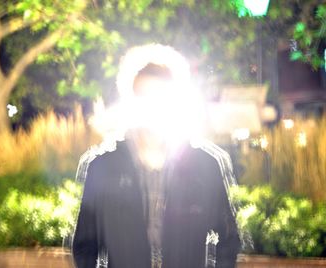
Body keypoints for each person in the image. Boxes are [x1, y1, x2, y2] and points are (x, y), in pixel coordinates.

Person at [72, 44, 242, 268]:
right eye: (144, 97)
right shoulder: (102, 167)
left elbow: (228, 240)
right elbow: (85, 246)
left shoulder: (204, 167)